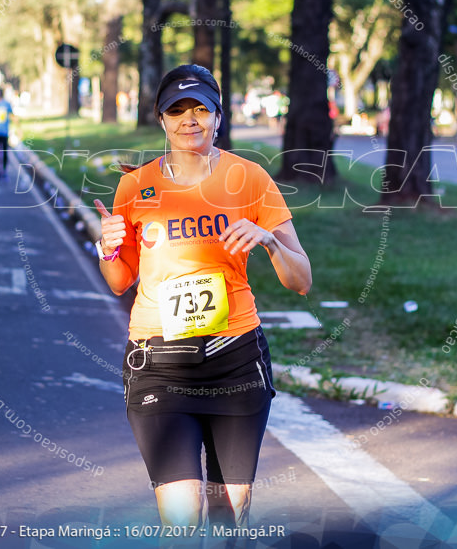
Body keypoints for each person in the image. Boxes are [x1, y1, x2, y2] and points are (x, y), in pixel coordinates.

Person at [94, 64, 312, 532]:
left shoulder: (248, 179)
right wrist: (108, 246)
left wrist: (269, 241)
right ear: (162, 119)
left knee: (229, 517)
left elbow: (302, 280)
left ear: (219, 117)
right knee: (182, 519)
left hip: (234, 361)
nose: (188, 119)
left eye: (200, 109)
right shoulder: (135, 186)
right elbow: (118, 280)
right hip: (159, 365)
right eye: (177, 110)